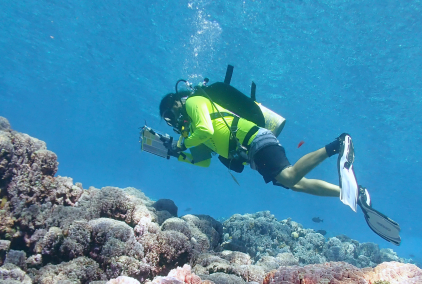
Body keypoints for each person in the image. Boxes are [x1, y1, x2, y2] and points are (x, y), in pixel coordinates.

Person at [157, 85, 401, 245]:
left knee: (288, 176)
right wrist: (175, 153)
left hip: (254, 139)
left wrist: (181, 144)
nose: (172, 121)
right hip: (251, 153)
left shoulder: (194, 101)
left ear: (176, 103)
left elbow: (205, 129)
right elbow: (202, 161)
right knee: (297, 184)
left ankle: (337, 144)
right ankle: (355, 193)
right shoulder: (190, 132)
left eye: (169, 115)